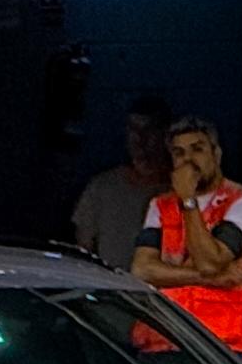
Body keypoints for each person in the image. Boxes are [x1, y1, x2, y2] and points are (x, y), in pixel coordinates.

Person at [128, 115, 242, 352]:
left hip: (221, 352)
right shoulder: (161, 206)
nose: (188, 160)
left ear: (216, 155)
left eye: (197, 150)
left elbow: (210, 262)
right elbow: (142, 269)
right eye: (179, 153)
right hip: (163, 342)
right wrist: (211, 279)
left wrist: (187, 200)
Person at [70, 94, 175, 258]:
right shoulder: (101, 188)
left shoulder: (182, 193)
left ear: (165, 135)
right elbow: (83, 250)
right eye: (133, 129)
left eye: (148, 130)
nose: (140, 139)